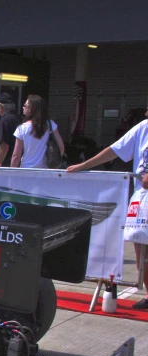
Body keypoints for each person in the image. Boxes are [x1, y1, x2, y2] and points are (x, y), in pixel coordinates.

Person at [66, 109, 148, 309]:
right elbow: (115, 149)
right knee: (141, 251)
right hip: (143, 198)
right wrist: (85, 165)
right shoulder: (143, 128)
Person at [11, 95, 65, 168]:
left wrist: (11, 173)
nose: (23, 107)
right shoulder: (51, 125)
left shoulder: (22, 128)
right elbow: (61, 148)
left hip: (26, 170)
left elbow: (16, 156)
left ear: (31, 108)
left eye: (25, 105)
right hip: (45, 171)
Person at [0, 93, 21, 167]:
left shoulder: (5, 120)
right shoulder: (18, 118)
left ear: (0, 107)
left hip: (6, 162)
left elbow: (4, 145)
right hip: (17, 161)